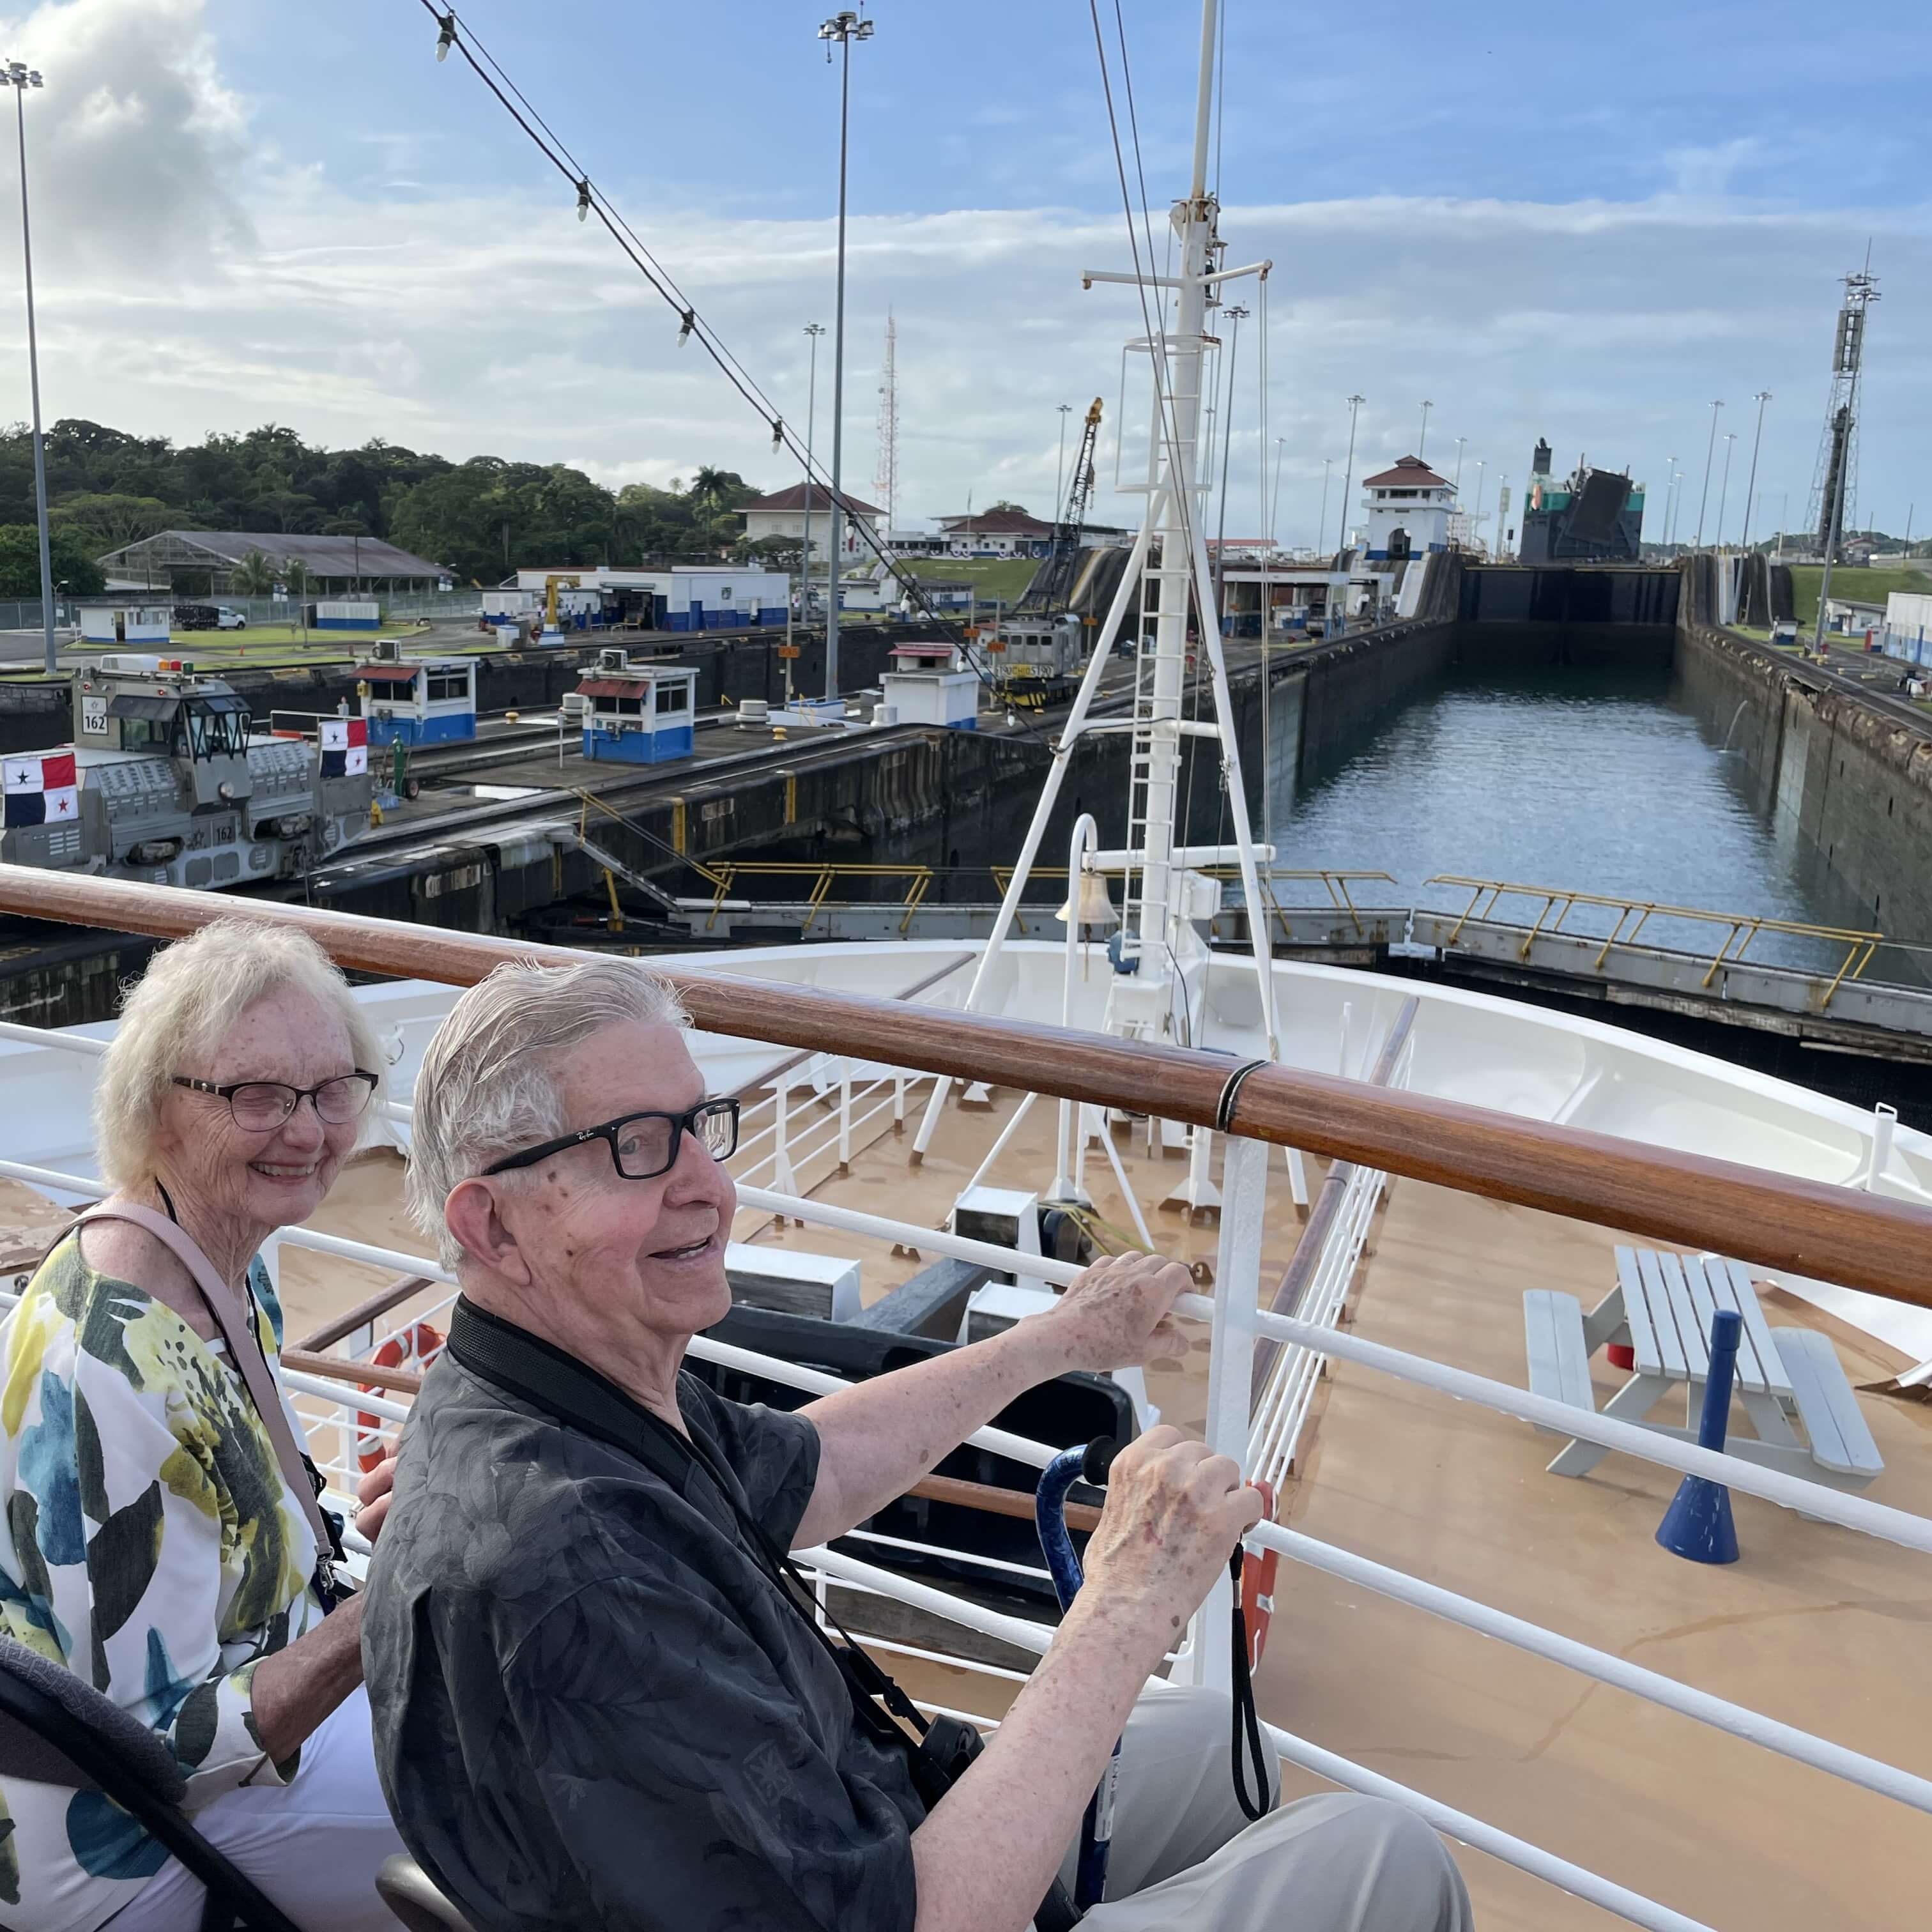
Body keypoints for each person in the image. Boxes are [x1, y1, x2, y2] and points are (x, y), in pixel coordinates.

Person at [365, 954, 1470, 1931]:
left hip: (850, 1821)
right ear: (489, 1224)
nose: (711, 1184)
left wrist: (1057, 1339)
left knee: (1221, 1754)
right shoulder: (572, 1571)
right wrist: (1129, 1600)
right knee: (1383, 1859)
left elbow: (811, 1467)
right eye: (637, 1149)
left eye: (698, 1126)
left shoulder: (556, 1393)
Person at [0, 919, 409, 1931]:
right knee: (535, 1816)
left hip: (245, 1729)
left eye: (330, 1089)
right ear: (156, 1109)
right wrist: (405, 1595)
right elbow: (163, 1750)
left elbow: (248, 1534)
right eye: (256, 1095)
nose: (309, 1130)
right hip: (123, 1835)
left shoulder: (214, 1258)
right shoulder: (108, 1367)